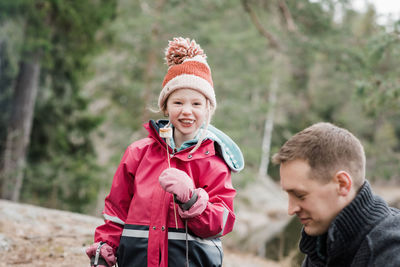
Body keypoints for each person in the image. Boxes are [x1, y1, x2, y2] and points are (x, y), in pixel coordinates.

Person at [85, 37, 244, 267]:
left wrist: (192, 199)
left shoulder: (215, 162)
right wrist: (106, 247)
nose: (187, 111)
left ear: (208, 108)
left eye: (196, 104)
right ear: (165, 106)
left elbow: (221, 223)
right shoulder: (138, 153)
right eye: (178, 102)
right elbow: (116, 210)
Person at [272, 122, 400, 266]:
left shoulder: (392, 251)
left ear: (342, 184)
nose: (290, 209)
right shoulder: (322, 244)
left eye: (300, 195)